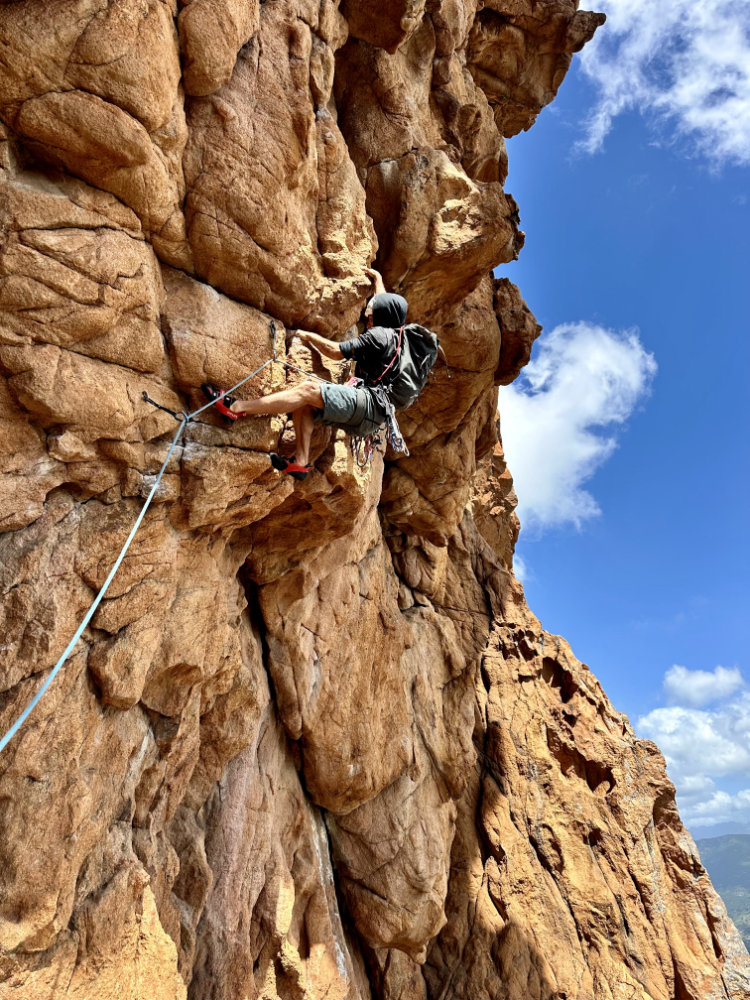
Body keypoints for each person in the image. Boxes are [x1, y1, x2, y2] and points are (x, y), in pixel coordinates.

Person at [204, 269, 409, 480]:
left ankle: (236, 408)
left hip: (366, 405)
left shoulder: (378, 336)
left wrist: (308, 336)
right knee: (305, 405)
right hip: (371, 419)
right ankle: (300, 462)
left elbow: (335, 352)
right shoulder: (397, 336)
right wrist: (378, 280)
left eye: (372, 317)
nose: (368, 321)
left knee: (307, 390)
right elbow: (387, 306)